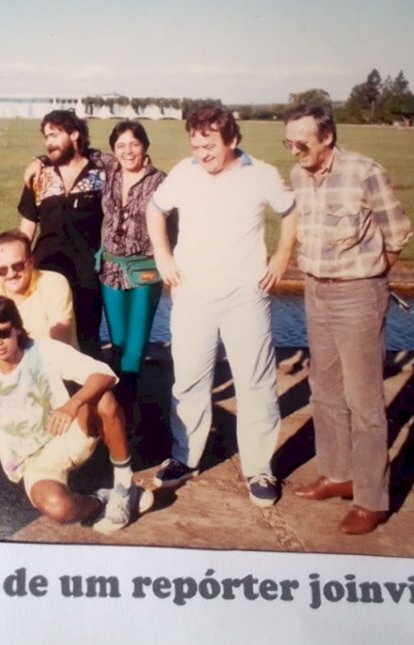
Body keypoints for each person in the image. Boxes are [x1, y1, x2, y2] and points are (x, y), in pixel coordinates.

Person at [146, 107, 297, 507]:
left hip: (245, 296)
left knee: (256, 383)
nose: (201, 154)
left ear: (231, 140)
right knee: (190, 380)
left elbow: (291, 210)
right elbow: (155, 210)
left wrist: (282, 256)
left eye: (208, 146)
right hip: (192, 294)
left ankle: (259, 467)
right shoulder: (184, 171)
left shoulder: (261, 173)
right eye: (195, 146)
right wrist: (163, 257)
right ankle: (185, 458)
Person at [284, 104, 412, 535]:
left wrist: (368, 277)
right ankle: (338, 474)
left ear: (328, 138)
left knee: (365, 402)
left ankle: (372, 500)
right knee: (325, 389)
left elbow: (397, 235)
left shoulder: (364, 171)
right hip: (314, 290)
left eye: (302, 142)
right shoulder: (299, 175)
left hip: (358, 293)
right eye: (289, 142)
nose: (294, 150)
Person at [0, 296, 153, 534]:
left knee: (103, 398)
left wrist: (72, 404)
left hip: (67, 435)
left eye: (3, 333)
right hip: (31, 461)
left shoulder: (43, 350)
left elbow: (104, 375)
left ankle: (123, 487)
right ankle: (101, 500)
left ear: (16, 327)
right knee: (60, 509)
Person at [98, 120, 166, 437]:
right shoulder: (110, 170)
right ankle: (119, 410)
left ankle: (129, 414)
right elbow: (84, 153)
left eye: (134, 144)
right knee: (118, 343)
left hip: (145, 271)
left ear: (145, 146)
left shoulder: (160, 183)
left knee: (136, 347)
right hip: (110, 269)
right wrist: (40, 161)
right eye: (121, 145)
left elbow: (175, 226)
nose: (128, 151)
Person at [19, 110, 106, 357]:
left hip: (86, 275)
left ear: (75, 134)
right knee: (42, 335)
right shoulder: (39, 176)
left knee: (87, 339)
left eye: (55, 135)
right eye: (46, 137)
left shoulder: (101, 175)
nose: (49, 143)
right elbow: (26, 228)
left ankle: (88, 394)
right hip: (46, 270)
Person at [0, 230, 75, 355]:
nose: (11, 274)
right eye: (2, 270)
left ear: (30, 261)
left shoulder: (52, 283)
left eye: (18, 266)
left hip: (51, 364)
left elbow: (61, 346)